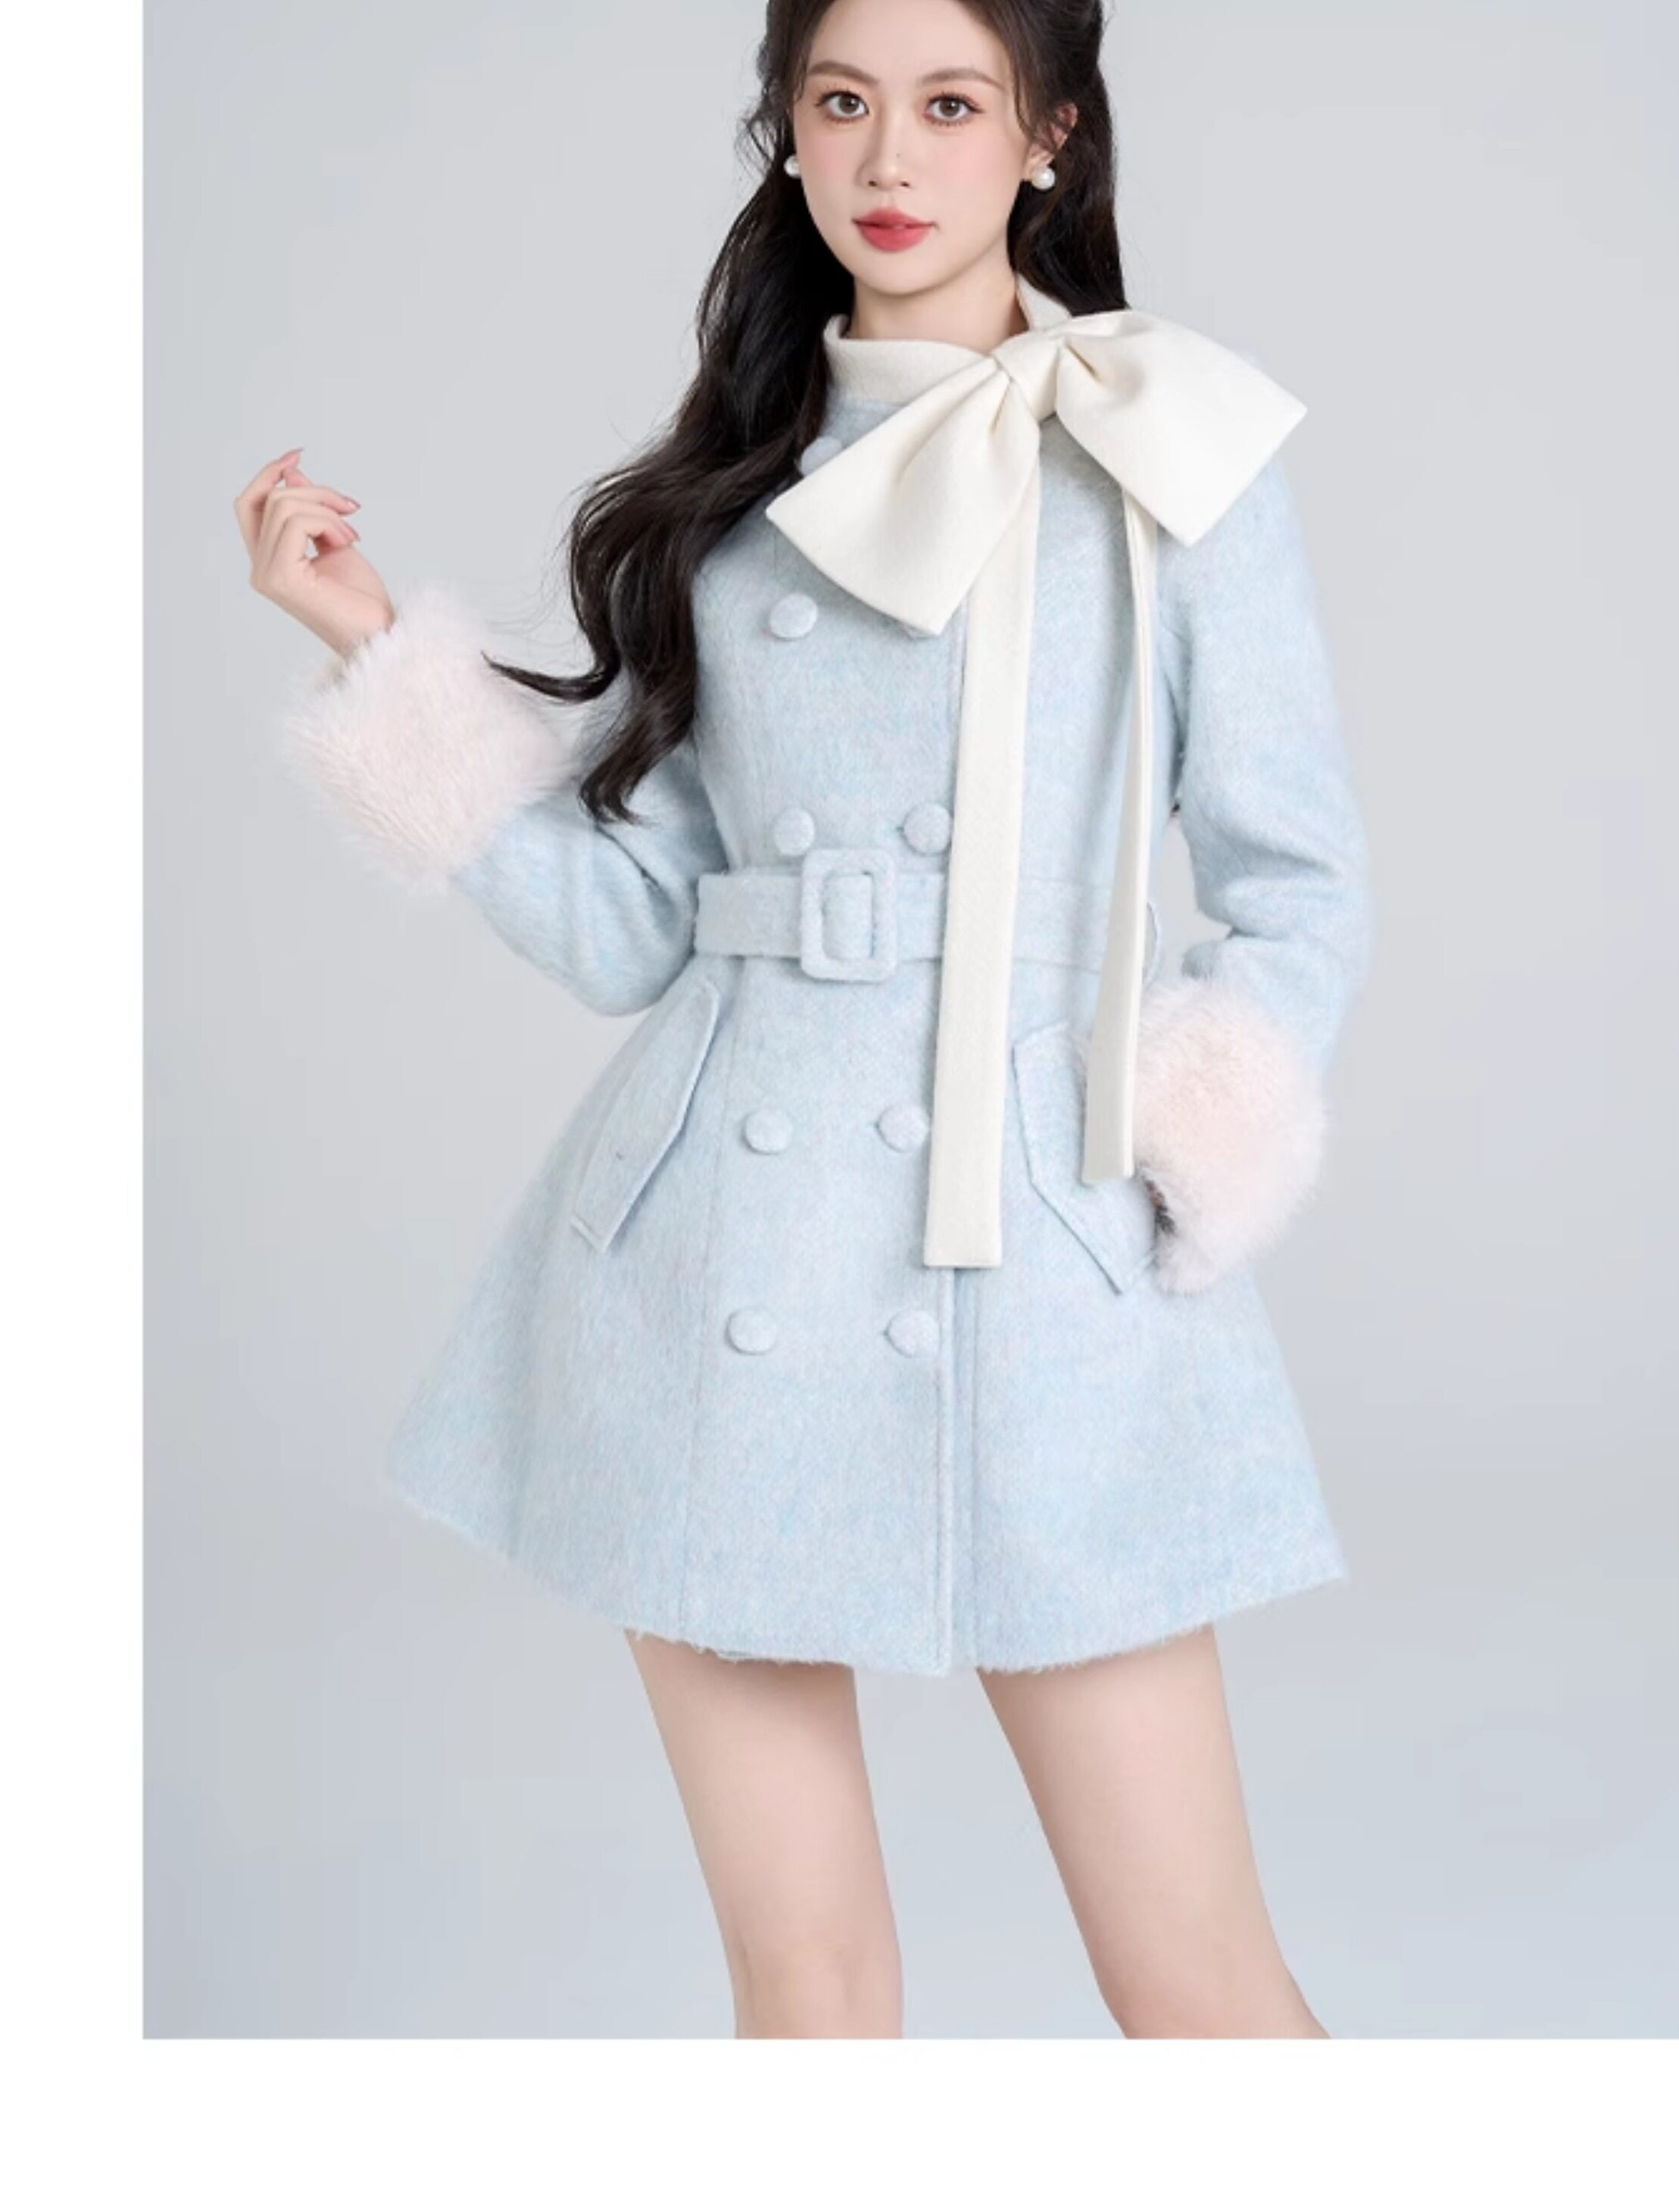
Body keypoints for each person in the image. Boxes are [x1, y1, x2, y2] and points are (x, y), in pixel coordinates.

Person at [233, 0, 1372, 2040]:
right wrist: (377, 653)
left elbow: (1298, 882)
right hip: (725, 1258)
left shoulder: (1168, 451)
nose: (889, 159)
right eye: (841, 104)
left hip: (1042, 1246)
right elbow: (634, 934)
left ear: (1049, 132)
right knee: (807, 1981)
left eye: (949, 104)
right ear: (786, 131)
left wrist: (1181, 1150)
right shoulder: (733, 494)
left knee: (1201, 1982)